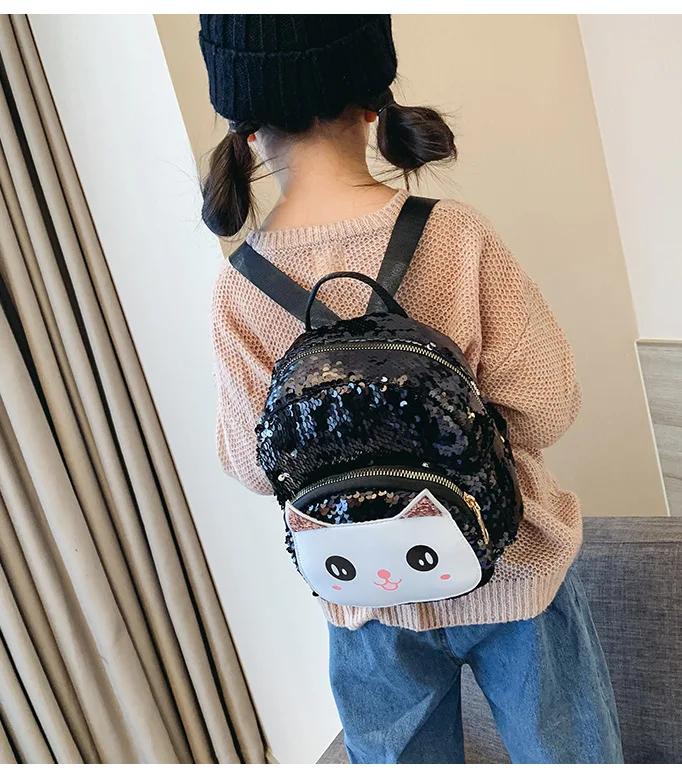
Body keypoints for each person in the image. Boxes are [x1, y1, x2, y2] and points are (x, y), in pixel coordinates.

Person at [199, 14, 623, 765]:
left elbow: (252, 465)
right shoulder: (454, 235)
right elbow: (548, 401)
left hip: (364, 590)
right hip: (512, 566)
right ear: (374, 103)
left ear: (246, 127)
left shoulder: (240, 289)